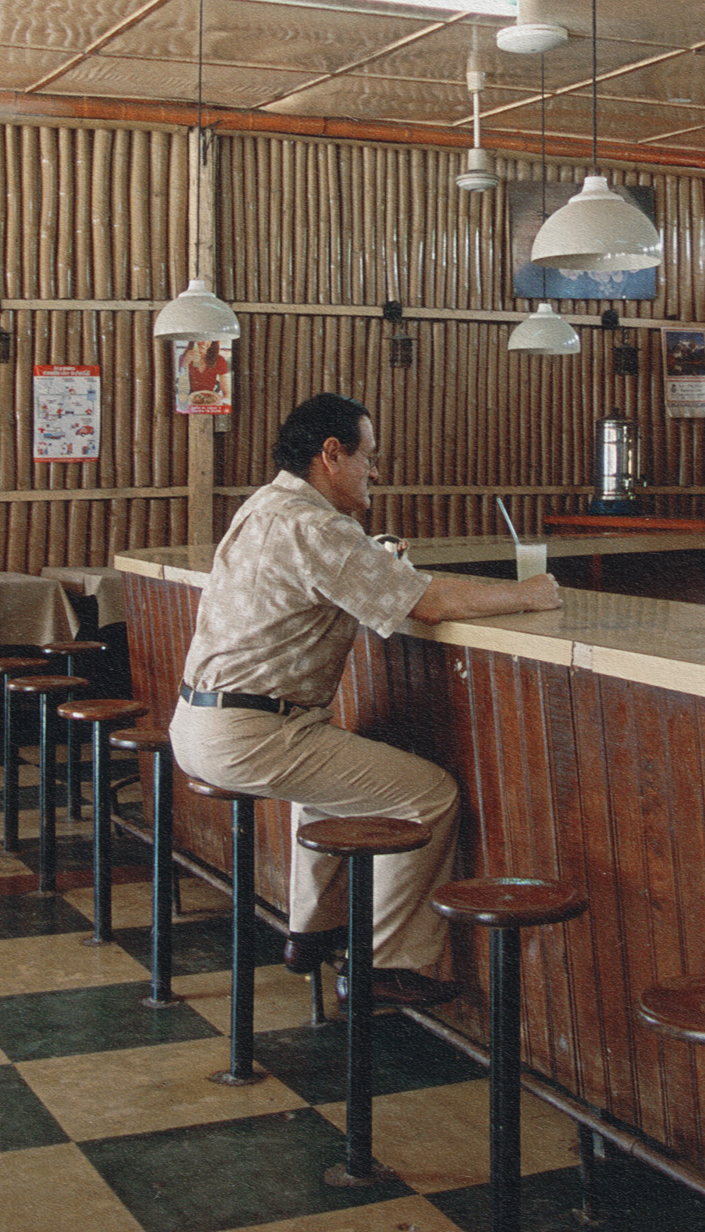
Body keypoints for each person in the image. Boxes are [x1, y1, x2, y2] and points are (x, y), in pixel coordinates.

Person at [168, 392, 560, 1008]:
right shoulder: (314, 524)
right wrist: (529, 593)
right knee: (428, 795)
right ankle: (387, 964)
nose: (375, 471)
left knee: (330, 780)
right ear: (332, 455)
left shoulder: (267, 505)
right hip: (250, 734)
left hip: (199, 722)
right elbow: (425, 603)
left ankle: (312, 931)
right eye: (368, 457)